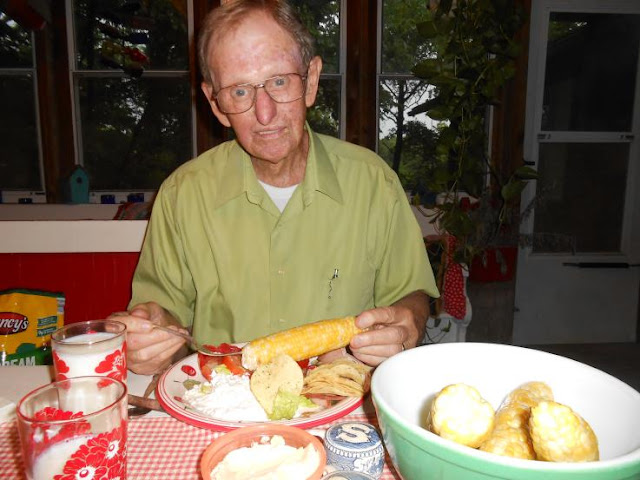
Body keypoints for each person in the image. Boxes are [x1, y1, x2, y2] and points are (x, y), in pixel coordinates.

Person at [112, 0, 438, 375]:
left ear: (311, 81)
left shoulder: (374, 183)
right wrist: (149, 336)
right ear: (215, 104)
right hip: (219, 400)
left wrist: (408, 323)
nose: (264, 114)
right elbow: (163, 314)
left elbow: (411, 296)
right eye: (239, 91)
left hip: (342, 401)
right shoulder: (181, 195)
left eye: (280, 81)